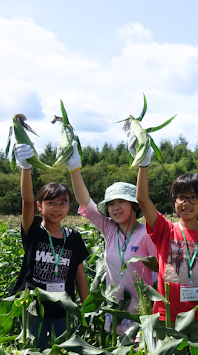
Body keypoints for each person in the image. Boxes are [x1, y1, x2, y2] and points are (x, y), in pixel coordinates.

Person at [128, 132, 198, 342]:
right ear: (174, 202)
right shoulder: (165, 230)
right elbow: (142, 199)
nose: (186, 203)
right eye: (181, 197)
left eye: (193, 197)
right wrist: (143, 164)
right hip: (166, 317)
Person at [65, 143, 156, 336]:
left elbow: (159, 275)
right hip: (115, 311)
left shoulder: (148, 234)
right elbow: (85, 204)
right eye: (111, 204)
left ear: (135, 205)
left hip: (143, 314)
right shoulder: (109, 229)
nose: (116, 207)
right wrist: (74, 170)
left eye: (121, 201)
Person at [11, 143, 90, 350]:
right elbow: (27, 200)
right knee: (33, 354)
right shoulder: (34, 230)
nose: (57, 208)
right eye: (51, 203)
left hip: (63, 309)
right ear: (40, 206)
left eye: (63, 203)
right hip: (33, 309)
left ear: (69, 207)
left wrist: (88, 307)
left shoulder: (73, 237)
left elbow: (80, 275)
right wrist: (26, 168)